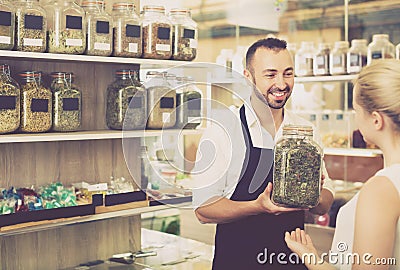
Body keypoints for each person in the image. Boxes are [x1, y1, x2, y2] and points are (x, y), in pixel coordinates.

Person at [192, 37, 335, 269]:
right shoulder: (223, 130)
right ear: (248, 77)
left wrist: (314, 196)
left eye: (288, 73)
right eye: (270, 75)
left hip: (291, 260)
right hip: (238, 261)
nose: (281, 83)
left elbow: (325, 202)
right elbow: (203, 210)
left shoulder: (305, 133)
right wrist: (256, 206)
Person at [285, 59, 400, 270]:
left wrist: (312, 260)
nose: (356, 120)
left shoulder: (382, 188)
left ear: (376, 120)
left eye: (356, 111)